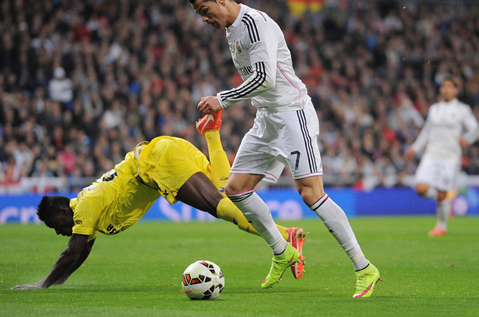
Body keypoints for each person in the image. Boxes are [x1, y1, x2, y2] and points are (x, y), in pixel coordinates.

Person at [189, 0, 380, 297]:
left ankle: (364, 267)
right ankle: (283, 251)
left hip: (292, 114)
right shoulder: (230, 29)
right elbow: (257, 80)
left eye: (205, 10)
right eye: (199, 14)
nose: (204, 18)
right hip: (266, 118)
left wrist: (222, 99)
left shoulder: (254, 24)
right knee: (236, 190)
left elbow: (265, 78)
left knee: (310, 193)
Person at [12, 111, 305, 290]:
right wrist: (59, 282)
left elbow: (71, 252)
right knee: (228, 193)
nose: (58, 232)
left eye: (55, 225)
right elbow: (81, 251)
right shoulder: (88, 212)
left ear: (63, 211)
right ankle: (212, 133)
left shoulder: (85, 208)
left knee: (218, 205)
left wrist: (42, 285)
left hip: (155, 162)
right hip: (163, 153)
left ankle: (283, 238)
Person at [404, 77, 479, 236]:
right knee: (420, 188)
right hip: (431, 154)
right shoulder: (434, 109)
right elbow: (426, 131)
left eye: (449, 87)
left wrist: (467, 139)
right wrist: (415, 148)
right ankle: (445, 200)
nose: (446, 90)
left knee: (442, 191)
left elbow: (475, 129)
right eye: (444, 87)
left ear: (456, 90)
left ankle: (442, 226)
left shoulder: (462, 109)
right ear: (441, 90)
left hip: (450, 157)